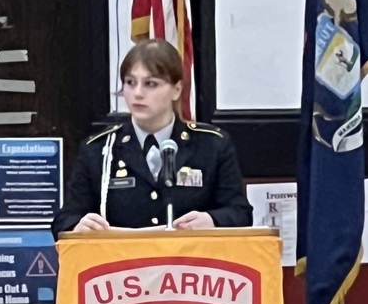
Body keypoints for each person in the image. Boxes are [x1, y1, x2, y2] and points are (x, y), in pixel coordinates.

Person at [51, 39, 253, 234]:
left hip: (191, 264)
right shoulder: (99, 150)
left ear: (176, 90)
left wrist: (212, 220)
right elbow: (64, 219)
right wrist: (78, 226)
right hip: (121, 265)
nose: (137, 93)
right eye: (130, 83)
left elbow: (240, 213)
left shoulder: (211, 145)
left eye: (150, 84)